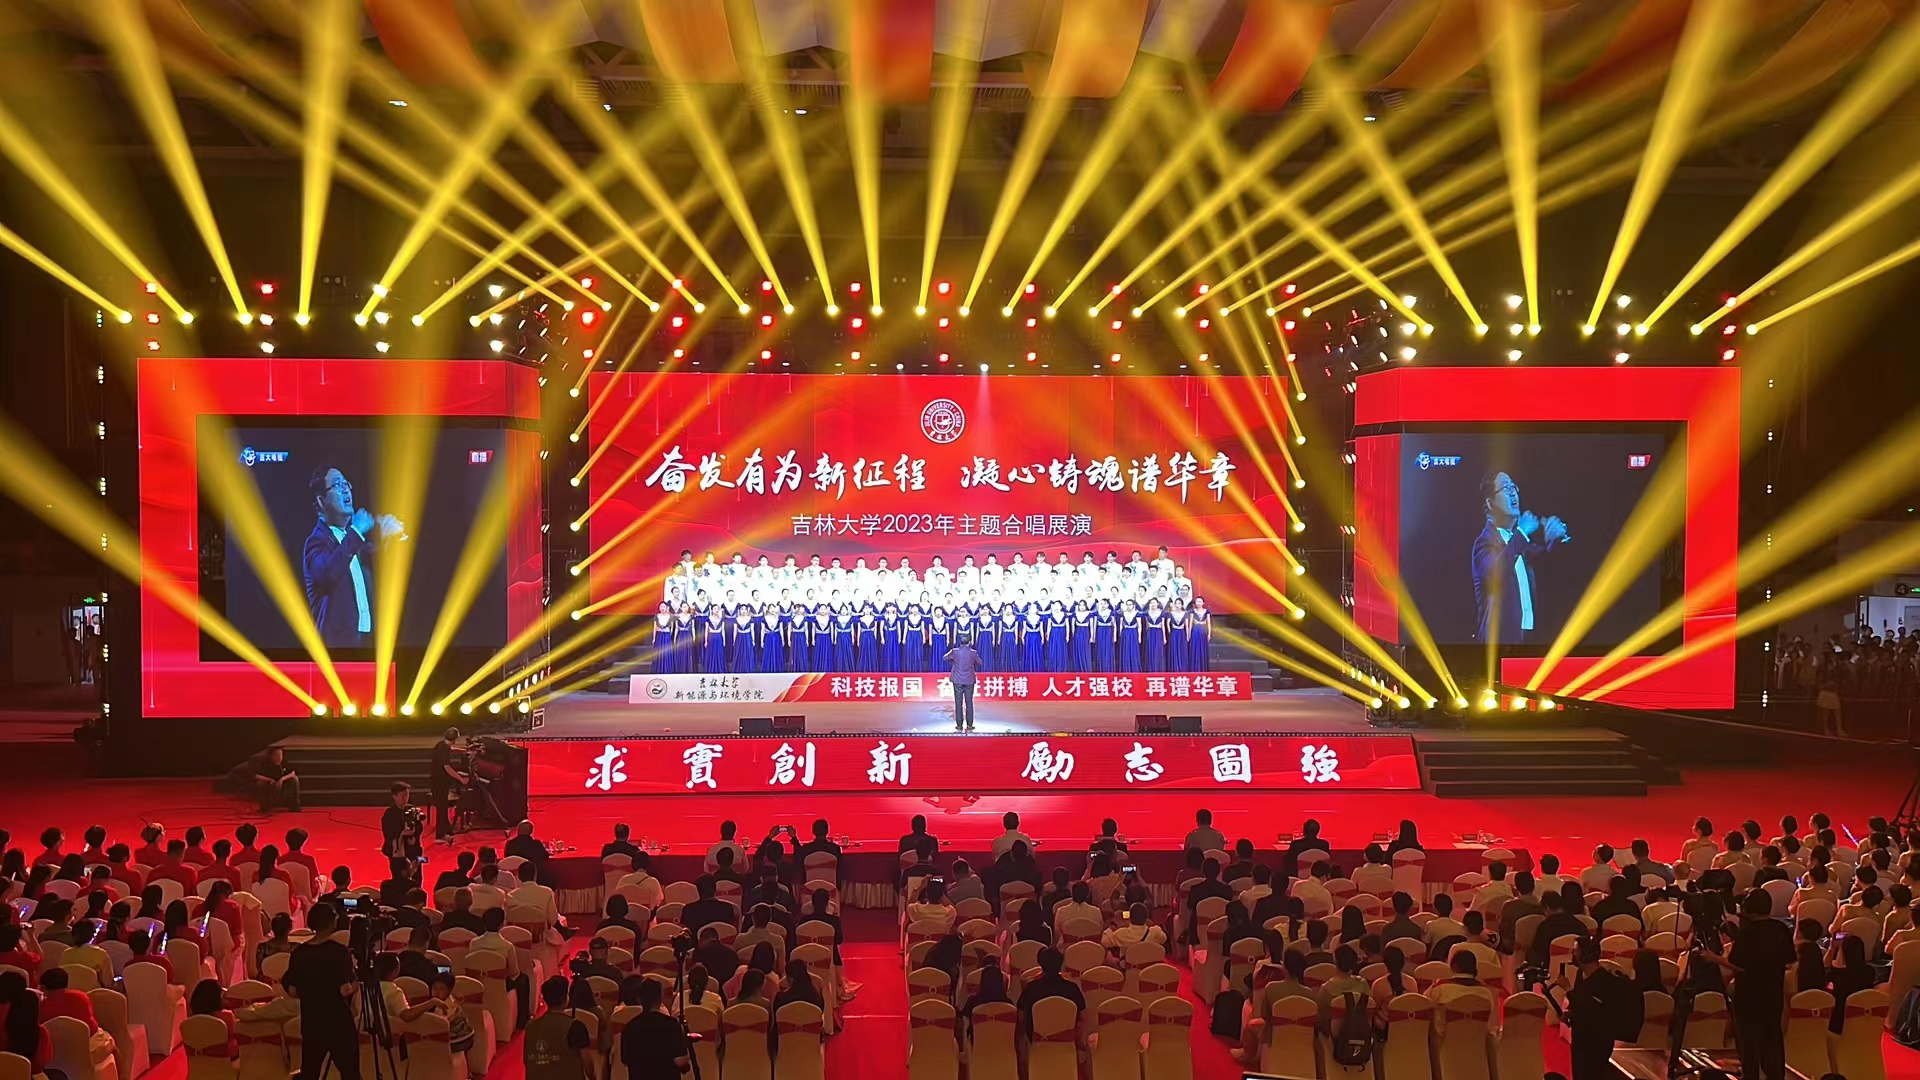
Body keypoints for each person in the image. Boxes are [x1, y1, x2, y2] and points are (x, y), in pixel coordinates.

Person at [1472, 469, 1567, 645]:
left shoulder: (1518, 543)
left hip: (1529, 640)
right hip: (1499, 645)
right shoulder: (1484, 543)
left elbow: (1545, 560)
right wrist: (1522, 532)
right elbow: (1496, 572)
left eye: (1513, 487)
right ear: (1490, 503)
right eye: (1505, 488)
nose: (1513, 492)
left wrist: (1556, 538)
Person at [287, 904, 361, 1080]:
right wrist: (357, 984)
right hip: (338, 1021)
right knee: (350, 1072)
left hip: (311, 1020)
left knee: (310, 1072)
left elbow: (292, 989)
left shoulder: (299, 953)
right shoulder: (339, 952)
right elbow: (346, 989)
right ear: (330, 922)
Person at [1564, 938, 1638, 1080]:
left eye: (1575, 951)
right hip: (1579, 1037)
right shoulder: (1580, 974)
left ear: (1585, 955)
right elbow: (1579, 1004)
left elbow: (1593, 1011)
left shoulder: (1605, 982)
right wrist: (1570, 1012)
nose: (1572, 953)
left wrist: (1568, 990)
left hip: (1596, 1043)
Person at [617, 977, 691, 1080]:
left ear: (639, 999)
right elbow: (682, 1063)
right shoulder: (671, 1025)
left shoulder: (630, 1027)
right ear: (660, 998)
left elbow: (625, 1061)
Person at [523, 976, 593, 1080]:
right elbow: (588, 1066)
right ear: (566, 998)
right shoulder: (575, 1026)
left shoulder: (530, 1027)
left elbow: (528, 1062)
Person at [399, 972, 476, 1056]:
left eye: (442, 989)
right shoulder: (448, 1000)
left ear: (449, 990)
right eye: (435, 988)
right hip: (467, 1036)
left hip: (460, 1040)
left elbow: (438, 1026)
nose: (437, 992)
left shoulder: (444, 1006)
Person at [1016, 948, 1085, 1034]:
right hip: (1066, 1037)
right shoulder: (1072, 988)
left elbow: (1021, 1017)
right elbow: (1082, 1016)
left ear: (1041, 964)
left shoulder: (1030, 988)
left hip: (1036, 1037)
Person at [429, 727, 465, 843]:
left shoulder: (440, 745)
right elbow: (447, 768)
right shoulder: (444, 750)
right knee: (442, 809)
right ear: (454, 739)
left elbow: (450, 747)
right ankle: (440, 836)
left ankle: (447, 829)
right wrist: (461, 779)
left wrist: (462, 750)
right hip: (440, 783)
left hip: (437, 782)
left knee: (442, 808)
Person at [944, 633, 984, 732]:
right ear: (969, 642)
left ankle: (959, 725)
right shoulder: (973, 652)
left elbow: (945, 658)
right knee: (969, 703)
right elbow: (980, 662)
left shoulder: (955, 651)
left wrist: (952, 657)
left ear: (960, 641)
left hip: (957, 680)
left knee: (958, 703)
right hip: (969, 680)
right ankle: (970, 725)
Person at [244, 746, 302, 813]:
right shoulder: (265, 764)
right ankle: (264, 808)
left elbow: (293, 773)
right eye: (277, 755)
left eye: (281, 755)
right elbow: (255, 775)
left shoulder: (284, 763)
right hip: (269, 784)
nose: (279, 757)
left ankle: (294, 806)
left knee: (294, 779)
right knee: (261, 783)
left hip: (282, 784)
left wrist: (282, 779)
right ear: (271, 756)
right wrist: (269, 779)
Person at [39, 967, 98, 1031]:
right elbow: (92, 1026)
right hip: (87, 1035)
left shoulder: (42, 1009)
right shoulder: (82, 997)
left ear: (43, 987)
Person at [380, 782, 423, 868]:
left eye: (407, 795)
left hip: (414, 850)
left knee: (417, 873)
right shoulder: (389, 814)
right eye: (402, 795)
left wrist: (414, 836)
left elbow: (419, 827)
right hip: (396, 851)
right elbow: (388, 833)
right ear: (394, 796)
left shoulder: (413, 810)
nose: (405, 798)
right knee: (399, 873)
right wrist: (402, 834)